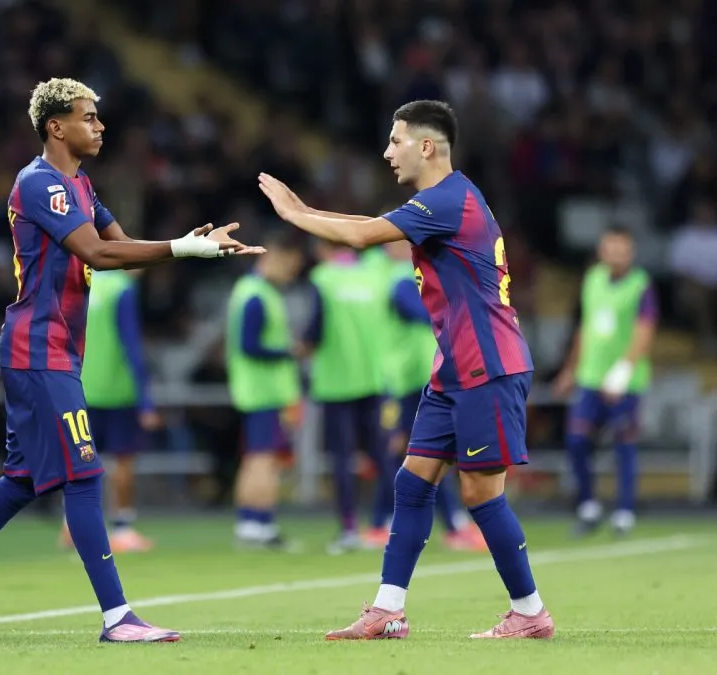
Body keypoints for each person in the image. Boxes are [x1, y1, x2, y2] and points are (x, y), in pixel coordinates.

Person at [0, 77, 263, 644]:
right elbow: (96, 252)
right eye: (88, 117)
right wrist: (179, 249)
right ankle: (117, 617)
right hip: (37, 347)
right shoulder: (41, 183)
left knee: (22, 479)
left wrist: (196, 246)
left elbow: (123, 248)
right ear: (55, 126)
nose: (99, 125)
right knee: (86, 472)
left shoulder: (81, 185)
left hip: (56, 350)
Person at [259, 99, 554, 640]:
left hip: (487, 365)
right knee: (413, 481)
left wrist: (295, 216)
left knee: (481, 495)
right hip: (454, 368)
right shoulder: (445, 199)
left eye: (395, 141)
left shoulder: (448, 200)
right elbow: (367, 226)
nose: (387, 152)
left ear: (426, 145)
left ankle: (531, 613)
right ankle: (388, 608)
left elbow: (360, 237)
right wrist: (307, 208)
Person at [380, 240, 486, 552]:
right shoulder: (400, 280)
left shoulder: (410, 275)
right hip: (405, 379)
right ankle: (450, 523)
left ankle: (385, 519)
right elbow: (427, 313)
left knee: (415, 450)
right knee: (423, 450)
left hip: (419, 376)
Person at [553, 226, 657, 537]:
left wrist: (623, 371)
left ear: (631, 252)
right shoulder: (593, 279)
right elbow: (585, 326)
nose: (615, 254)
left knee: (624, 445)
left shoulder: (641, 285)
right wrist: (570, 368)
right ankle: (588, 506)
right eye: (610, 248)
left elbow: (645, 329)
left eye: (621, 249)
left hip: (624, 381)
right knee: (576, 441)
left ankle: (624, 512)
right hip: (590, 376)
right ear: (602, 250)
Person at [301, 240, 394, 554]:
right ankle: (390, 523)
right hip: (375, 379)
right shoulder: (375, 275)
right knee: (383, 456)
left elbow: (315, 329)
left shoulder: (323, 278)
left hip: (335, 381)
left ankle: (350, 529)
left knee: (342, 459)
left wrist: (300, 350)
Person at [226, 235, 303, 550]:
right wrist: (289, 352)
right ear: (273, 258)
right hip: (264, 391)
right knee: (265, 460)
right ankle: (262, 525)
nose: (290, 274)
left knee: (255, 459)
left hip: (256, 391)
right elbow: (250, 345)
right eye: (289, 266)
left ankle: (249, 523)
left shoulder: (251, 291)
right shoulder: (256, 295)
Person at [75, 269, 160, 553]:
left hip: (80, 386)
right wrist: (146, 400)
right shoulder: (122, 288)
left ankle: (72, 526)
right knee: (123, 461)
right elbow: (131, 344)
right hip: (116, 389)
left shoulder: (84, 280)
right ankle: (122, 528)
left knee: (81, 462)